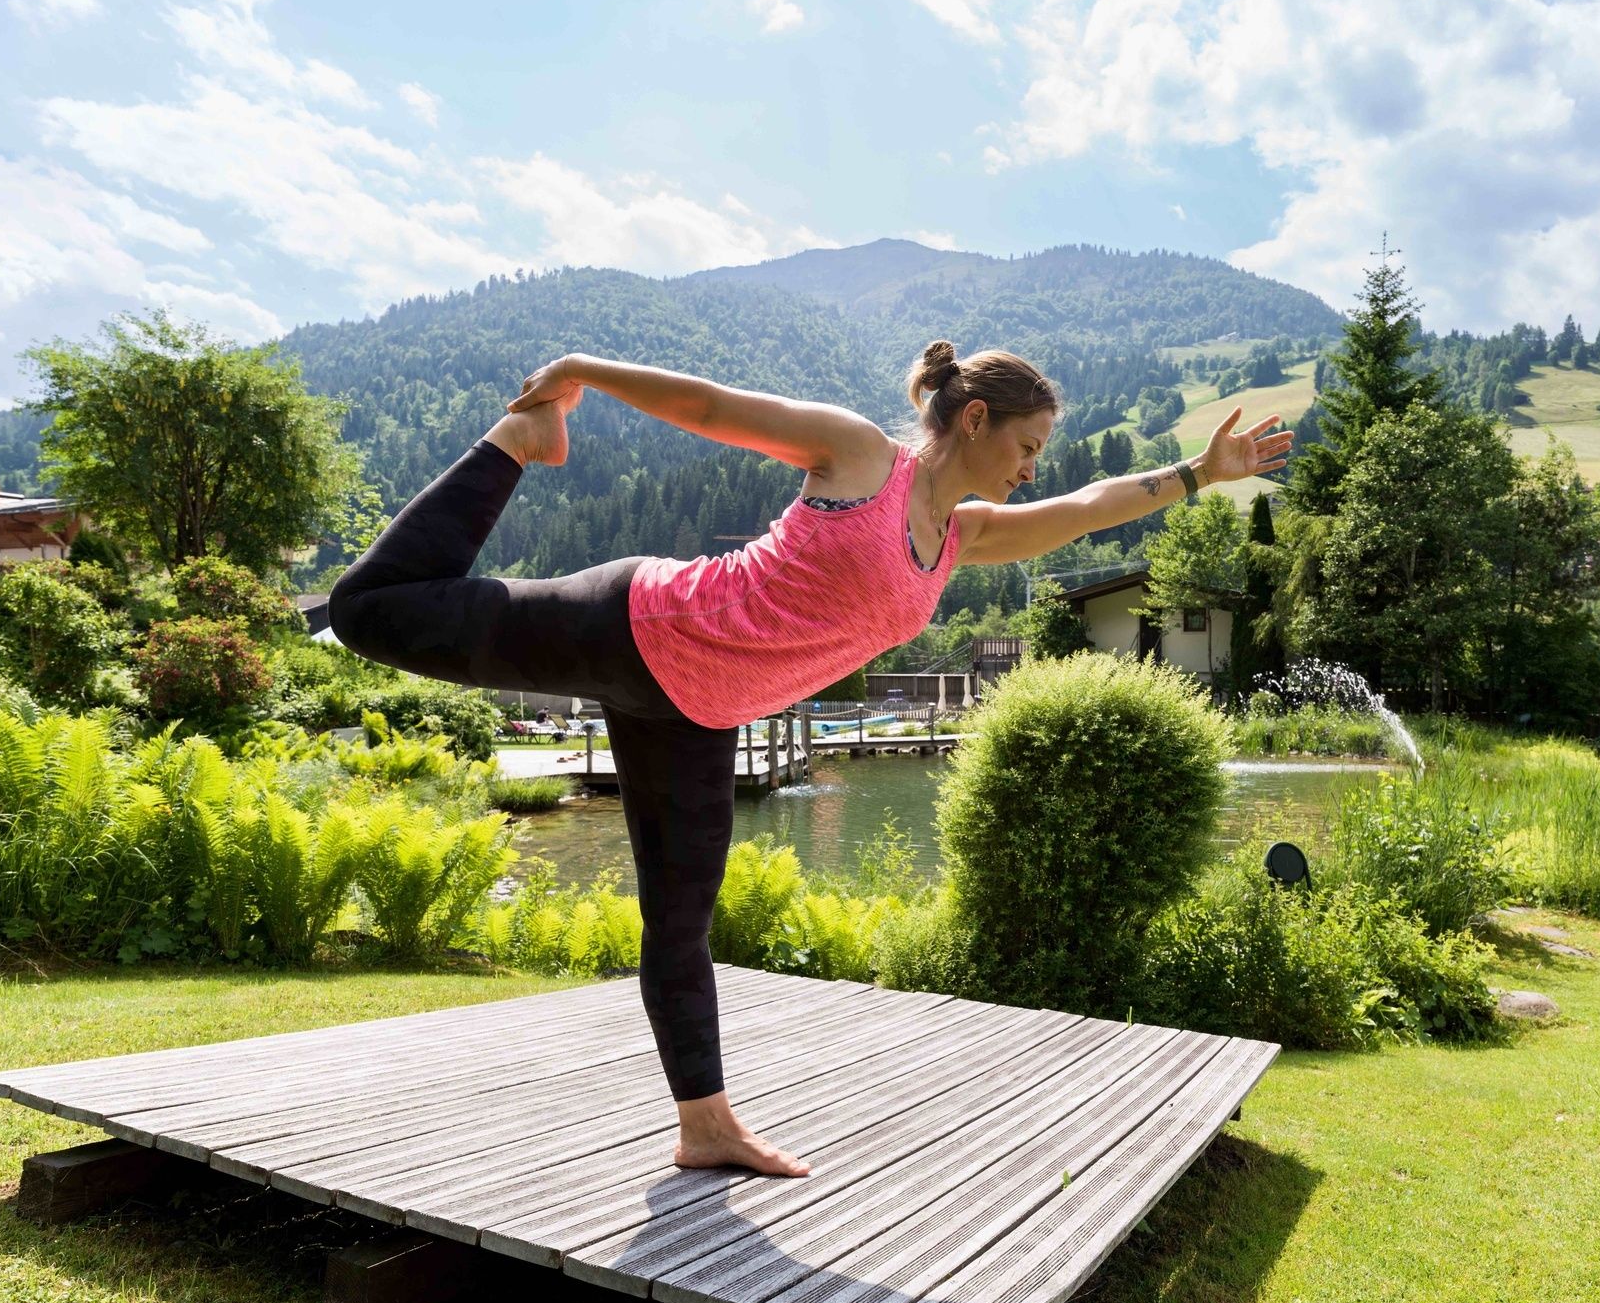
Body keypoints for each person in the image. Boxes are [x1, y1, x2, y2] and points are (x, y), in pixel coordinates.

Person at [327, 341, 1293, 1177]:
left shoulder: (960, 538)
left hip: (697, 713)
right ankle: (516, 443)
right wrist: (584, 372)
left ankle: (705, 1128)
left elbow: (1085, 508)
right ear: (975, 419)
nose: (1033, 468)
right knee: (367, 611)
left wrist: (1199, 474)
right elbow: (712, 409)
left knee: (678, 924)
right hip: (633, 625)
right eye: (1026, 446)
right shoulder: (862, 459)